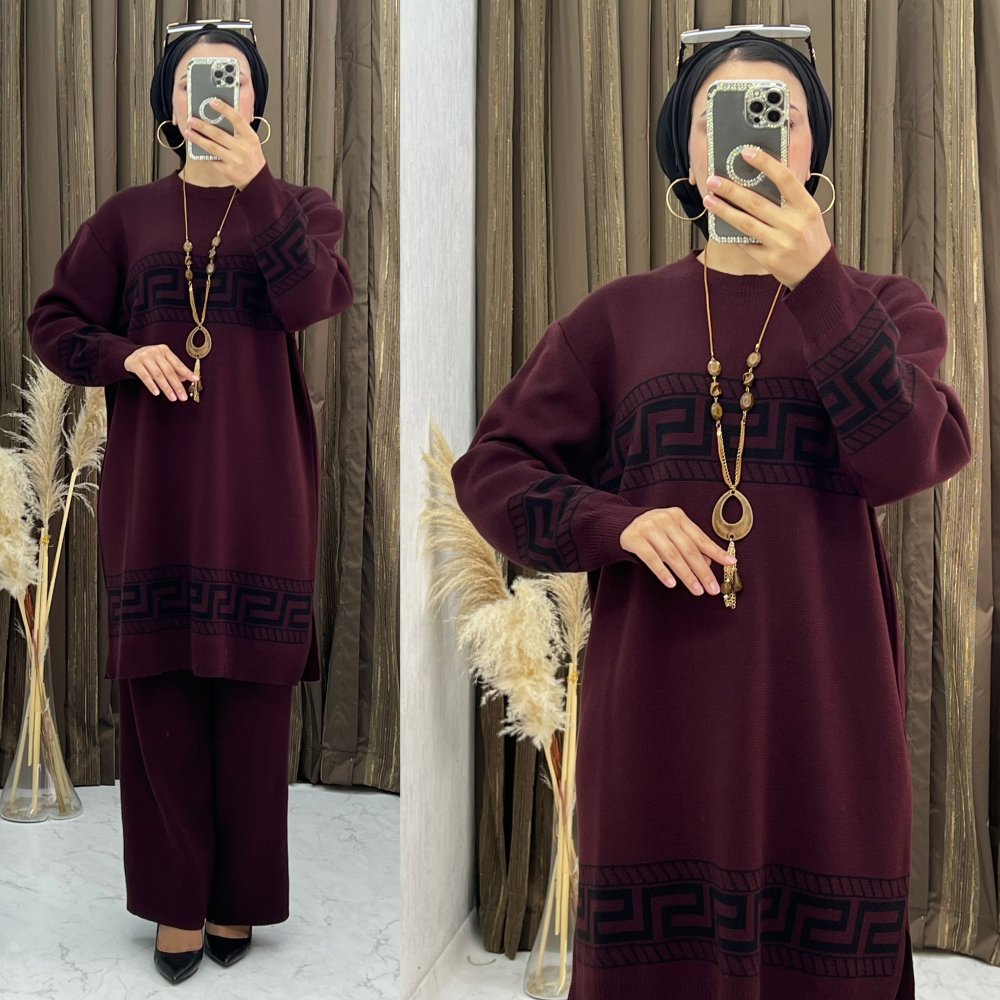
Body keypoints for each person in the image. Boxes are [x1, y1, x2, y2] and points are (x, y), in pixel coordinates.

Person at [452, 27, 971, 1000]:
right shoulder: (615, 319)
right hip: (657, 714)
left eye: (783, 116)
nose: (752, 139)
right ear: (683, 154)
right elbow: (490, 470)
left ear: (813, 151)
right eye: (716, 117)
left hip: (825, 712)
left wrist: (816, 282)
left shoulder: (882, 307)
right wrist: (615, 523)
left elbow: (911, 456)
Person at [27, 19, 353, 985]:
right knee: (161, 698)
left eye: (233, 79)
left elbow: (313, 302)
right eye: (196, 80)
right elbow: (54, 323)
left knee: (252, 706)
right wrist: (125, 355)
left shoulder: (301, 207)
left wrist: (258, 188)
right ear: (169, 103)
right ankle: (175, 902)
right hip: (157, 496)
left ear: (256, 102)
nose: (214, 93)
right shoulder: (127, 218)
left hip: (262, 490)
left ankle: (236, 895)